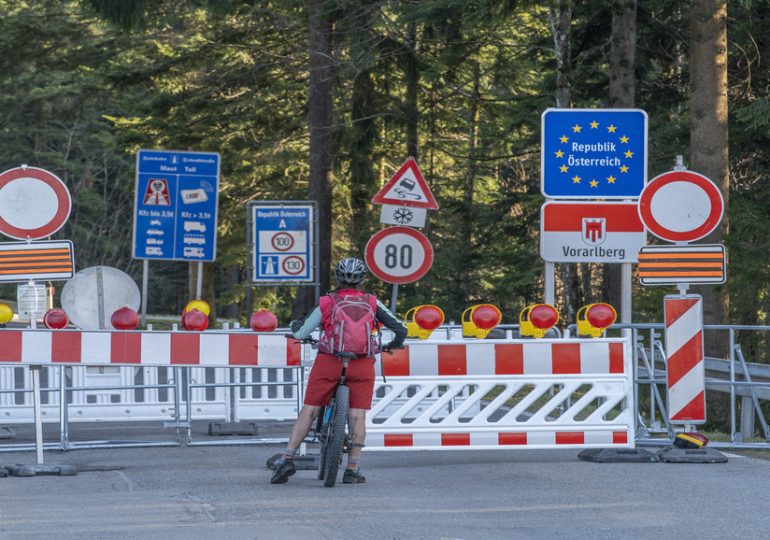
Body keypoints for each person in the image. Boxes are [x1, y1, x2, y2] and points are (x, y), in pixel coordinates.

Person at [270, 257, 407, 485]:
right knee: (357, 415)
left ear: (337, 278)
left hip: (329, 361)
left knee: (310, 409)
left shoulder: (327, 301)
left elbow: (302, 333)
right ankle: (352, 468)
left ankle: (287, 458)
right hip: (362, 364)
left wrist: (295, 330)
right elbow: (401, 328)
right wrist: (393, 345)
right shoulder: (372, 302)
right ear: (362, 279)